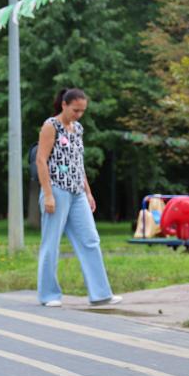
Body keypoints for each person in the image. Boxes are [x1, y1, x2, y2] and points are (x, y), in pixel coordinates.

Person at [35, 89, 122, 307]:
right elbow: (41, 161)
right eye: (75, 110)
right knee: (51, 243)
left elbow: (77, 163)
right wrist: (48, 195)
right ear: (64, 105)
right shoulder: (50, 126)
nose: (79, 115)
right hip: (56, 190)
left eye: (82, 111)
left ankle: (101, 293)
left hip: (77, 192)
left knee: (90, 240)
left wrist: (88, 192)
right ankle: (49, 295)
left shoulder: (78, 129)